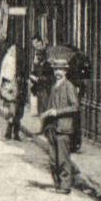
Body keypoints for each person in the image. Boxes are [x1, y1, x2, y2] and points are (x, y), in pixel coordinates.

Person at [40, 56, 81, 193]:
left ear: (65, 71)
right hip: (52, 128)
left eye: (60, 70)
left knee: (63, 158)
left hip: (64, 127)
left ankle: (65, 185)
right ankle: (57, 183)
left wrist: (57, 112)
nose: (57, 72)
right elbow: (50, 106)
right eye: (55, 69)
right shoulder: (54, 87)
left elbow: (75, 107)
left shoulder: (69, 86)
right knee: (53, 159)